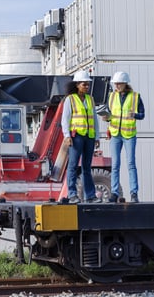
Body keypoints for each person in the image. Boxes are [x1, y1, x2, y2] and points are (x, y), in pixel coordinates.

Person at [104, 71, 145, 203]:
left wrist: (135, 115)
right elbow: (110, 114)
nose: (116, 85)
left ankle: (134, 193)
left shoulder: (135, 96)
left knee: (131, 164)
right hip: (115, 134)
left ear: (125, 83)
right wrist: (106, 118)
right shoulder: (111, 96)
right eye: (115, 83)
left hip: (129, 135)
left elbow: (142, 114)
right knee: (115, 165)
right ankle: (114, 193)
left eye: (119, 83)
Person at [61, 70, 101, 204]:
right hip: (76, 136)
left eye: (88, 84)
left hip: (89, 137)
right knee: (72, 165)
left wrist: (97, 137)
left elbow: (94, 119)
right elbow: (65, 120)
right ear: (77, 84)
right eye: (84, 84)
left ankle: (90, 195)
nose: (86, 87)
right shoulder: (70, 99)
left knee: (87, 167)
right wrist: (67, 136)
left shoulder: (90, 99)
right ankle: (72, 194)